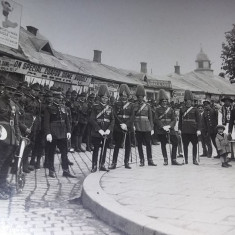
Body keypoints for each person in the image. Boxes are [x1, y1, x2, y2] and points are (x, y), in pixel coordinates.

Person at [44, 87, 76, 178]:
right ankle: (51, 169)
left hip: (62, 132)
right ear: (54, 98)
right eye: (58, 98)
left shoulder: (64, 108)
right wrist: (48, 133)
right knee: (51, 151)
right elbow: (46, 122)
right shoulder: (49, 108)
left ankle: (65, 170)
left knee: (64, 152)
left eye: (61, 98)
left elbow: (67, 121)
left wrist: (69, 131)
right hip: (53, 132)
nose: (60, 100)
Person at [0, 79, 21, 199]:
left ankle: (2, 184)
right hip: (1, 136)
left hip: (10, 138)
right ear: (4, 89)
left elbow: (16, 124)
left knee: (6, 163)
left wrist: (17, 138)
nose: (10, 92)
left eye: (13, 90)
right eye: (8, 89)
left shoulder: (13, 105)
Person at [109, 84, 133, 170]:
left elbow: (132, 116)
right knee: (117, 145)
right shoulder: (116, 104)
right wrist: (121, 124)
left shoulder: (131, 105)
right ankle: (114, 162)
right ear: (120, 96)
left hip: (127, 127)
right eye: (122, 96)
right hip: (118, 127)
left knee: (128, 145)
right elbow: (114, 115)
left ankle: (126, 162)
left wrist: (126, 125)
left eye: (125, 96)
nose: (124, 97)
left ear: (128, 96)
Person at [154, 89, 181, 166]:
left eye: (166, 101)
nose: (164, 102)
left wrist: (170, 126)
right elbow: (156, 119)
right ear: (160, 102)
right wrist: (162, 127)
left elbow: (174, 119)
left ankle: (174, 159)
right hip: (161, 129)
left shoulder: (171, 109)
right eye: (163, 101)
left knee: (175, 142)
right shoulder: (157, 110)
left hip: (170, 128)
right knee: (163, 144)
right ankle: (165, 159)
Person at [131, 85, 156, 167]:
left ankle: (150, 160)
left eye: (141, 97)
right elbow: (132, 117)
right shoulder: (134, 106)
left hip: (147, 127)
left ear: (144, 97)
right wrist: (133, 126)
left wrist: (152, 128)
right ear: (137, 97)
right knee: (140, 144)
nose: (140, 98)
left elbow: (150, 118)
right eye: (139, 97)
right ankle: (141, 160)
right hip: (138, 126)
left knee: (148, 144)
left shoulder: (147, 106)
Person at [178, 90, 201, 165]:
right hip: (184, 130)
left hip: (193, 130)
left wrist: (198, 129)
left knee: (194, 145)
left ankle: (194, 159)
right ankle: (186, 159)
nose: (188, 102)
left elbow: (199, 121)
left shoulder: (195, 110)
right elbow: (180, 121)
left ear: (192, 101)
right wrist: (179, 129)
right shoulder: (182, 110)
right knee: (185, 145)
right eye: (186, 101)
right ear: (185, 101)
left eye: (189, 101)